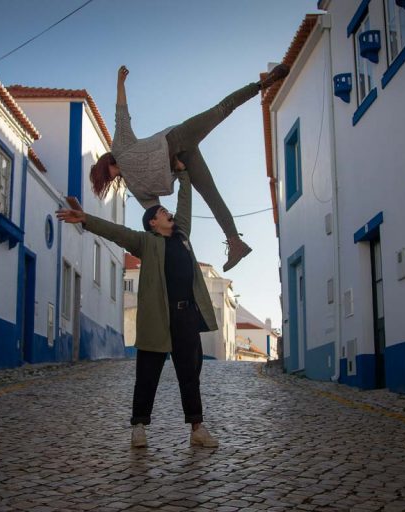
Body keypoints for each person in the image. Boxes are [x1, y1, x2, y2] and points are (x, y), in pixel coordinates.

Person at [56, 170, 220, 448]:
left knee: (189, 374)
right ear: (153, 223)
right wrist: (86, 220)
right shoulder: (146, 242)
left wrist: (183, 175)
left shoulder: (182, 236)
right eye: (162, 212)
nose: (169, 214)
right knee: (147, 373)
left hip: (186, 316)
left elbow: (185, 205)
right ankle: (139, 427)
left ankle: (197, 428)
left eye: (167, 211)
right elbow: (118, 233)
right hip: (157, 317)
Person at [89, 64, 290, 272]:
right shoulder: (135, 189)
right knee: (212, 196)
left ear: (107, 165)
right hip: (183, 163)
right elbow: (155, 214)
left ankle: (261, 84)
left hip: (177, 138)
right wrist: (170, 243)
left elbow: (121, 113)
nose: (111, 179)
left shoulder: (120, 147)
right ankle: (235, 243)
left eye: (107, 176)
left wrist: (120, 83)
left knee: (220, 110)